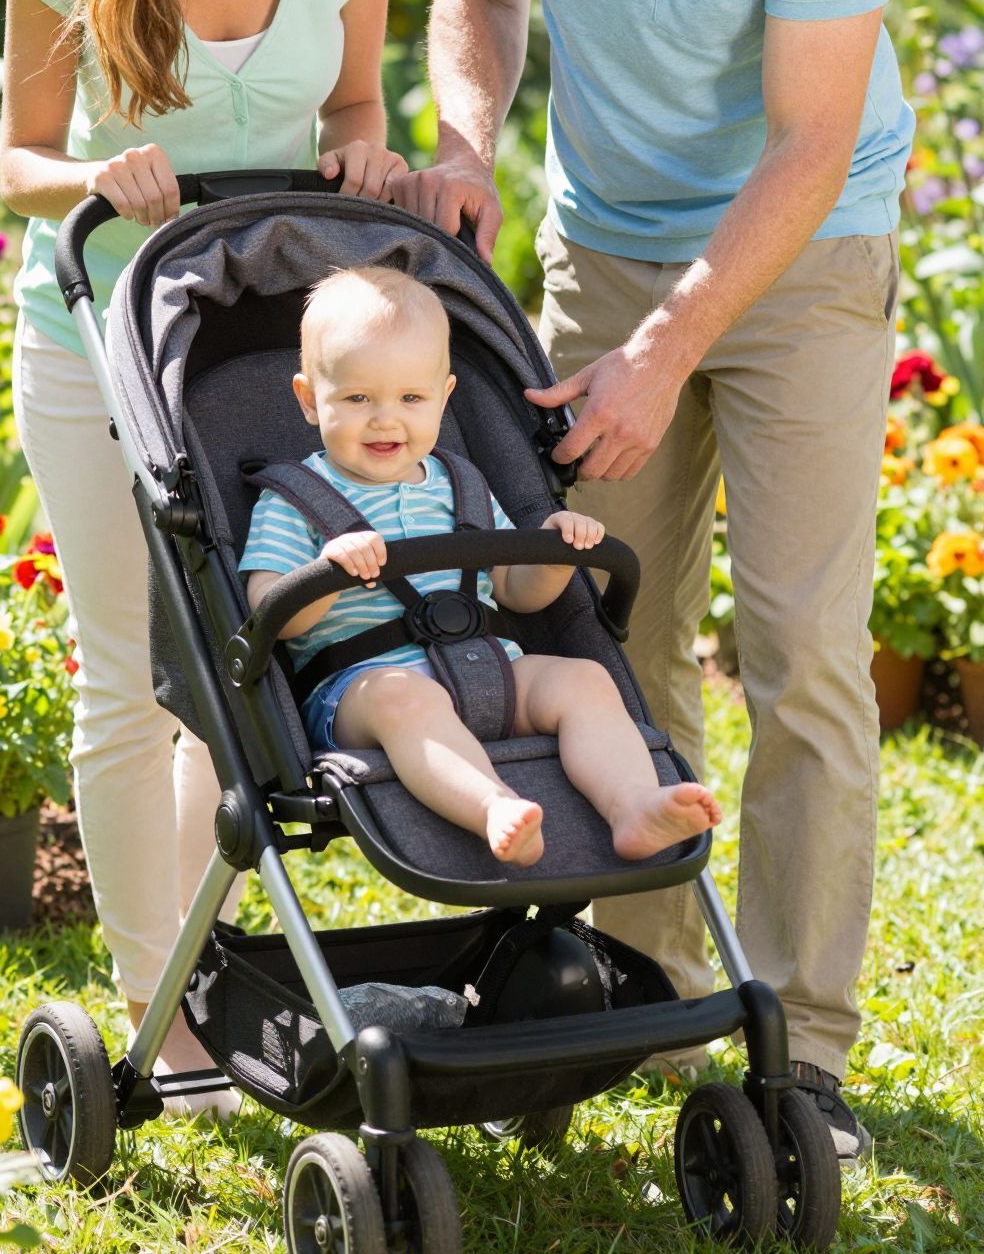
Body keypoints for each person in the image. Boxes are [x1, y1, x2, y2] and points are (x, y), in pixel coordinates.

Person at [392, 0, 913, 1157]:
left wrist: (669, 349)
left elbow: (811, 139)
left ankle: (799, 1053)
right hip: (605, 240)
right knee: (600, 630)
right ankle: (637, 989)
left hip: (800, 244)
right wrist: (465, 138)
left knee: (801, 647)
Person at [0, 0, 408, 1104]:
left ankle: (201, 962)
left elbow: (353, 99)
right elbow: (15, 159)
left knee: (226, 681)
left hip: (254, 343)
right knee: (129, 674)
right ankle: (150, 1004)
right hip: (99, 341)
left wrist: (366, 150)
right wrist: (93, 177)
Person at [240, 266, 721, 866]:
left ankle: (632, 805)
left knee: (584, 681)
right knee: (405, 700)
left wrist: (555, 554)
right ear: (310, 400)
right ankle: (494, 807)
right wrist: (326, 573)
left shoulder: (462, 484)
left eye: (411, 399)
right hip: (363, 689)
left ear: (444, 397)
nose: (386, 419)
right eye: (357, 398)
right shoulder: (294, 498)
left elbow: (516, 593)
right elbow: (269, 613)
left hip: (490, 667)